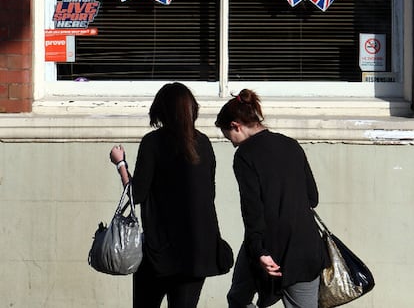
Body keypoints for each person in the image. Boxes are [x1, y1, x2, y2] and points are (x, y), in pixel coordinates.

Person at [110, 82, 233, 308]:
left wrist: (120, 163)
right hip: (198, 249)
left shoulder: (153, 142)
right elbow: (209, 193)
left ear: (160, 110)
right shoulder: (203, 143)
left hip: (160, 251)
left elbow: (135, 194)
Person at [215, 89, 328, 308]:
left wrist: (259, 251)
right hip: (304, 247)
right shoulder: (291, 145)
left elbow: (252, 209)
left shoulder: (245, 155)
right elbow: (312, 197)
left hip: (264, 246)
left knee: (239, 299)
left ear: (236, 125)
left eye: (228, 136)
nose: (231, 142)